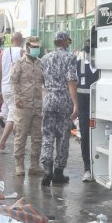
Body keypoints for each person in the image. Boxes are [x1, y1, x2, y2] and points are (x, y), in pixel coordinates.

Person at [40, 31, 79, 186]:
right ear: (64, 42)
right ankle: (58, 172)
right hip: (64, 99)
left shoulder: (44, 58)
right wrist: (76, 103)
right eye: (68, 42)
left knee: (47, 134)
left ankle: (47, 168)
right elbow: (71, 80)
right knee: (62, 136)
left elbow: (42, 80)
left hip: (48, 98)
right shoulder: (70, 58)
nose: (69, 44)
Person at [10, 36, 43, 177]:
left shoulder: (41, 64)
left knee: (37, 137)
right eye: (33, 47)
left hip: (37, 105)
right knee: (21, 135)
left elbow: (44, 82)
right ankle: (19, 165)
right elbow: (13, 82)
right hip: (23, 105)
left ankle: (34, 165)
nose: (36, 49)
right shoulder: (19, 63)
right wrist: (17, 98)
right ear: (28, 47)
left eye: (37, 47)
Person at [0, 31, 23, 152]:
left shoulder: (3, 52)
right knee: (13, 114)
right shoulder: (22, 52)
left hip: (4, 86)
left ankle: (3, 116)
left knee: (9, 109)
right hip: (15, 87)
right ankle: (2, 143)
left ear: (11, 40)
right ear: (21, 40)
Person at [76, 41, 98, 182]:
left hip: (103, 109)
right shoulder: (79, 65)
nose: (89, 54)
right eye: (87, 50)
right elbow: (72, 85)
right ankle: (88, 169)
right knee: (86, 137)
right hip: (84, 109)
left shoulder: (104, 67)